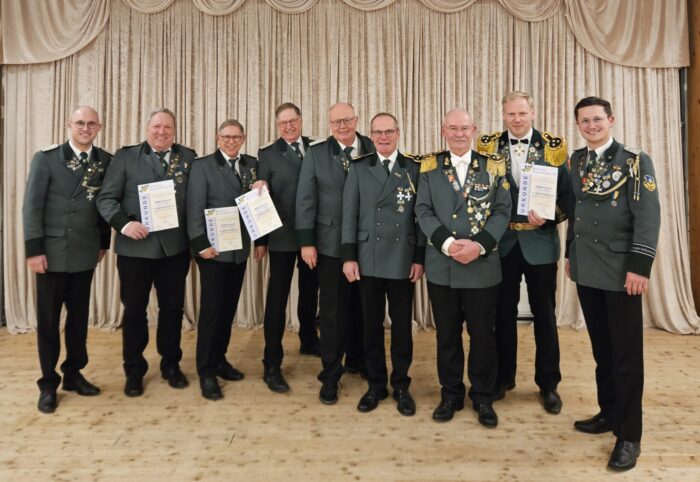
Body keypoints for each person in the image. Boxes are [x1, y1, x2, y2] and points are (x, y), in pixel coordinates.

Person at [566, 96, 660, 471]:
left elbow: (648, 217)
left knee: (626, 356)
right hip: (587, 268)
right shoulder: (576, 160)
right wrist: (570, 255)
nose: (591, 126)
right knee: (602, 350)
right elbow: (576, 209)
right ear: (578, 125)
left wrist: (640, 267)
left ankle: (629, 436)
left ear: (611, 120)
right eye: (585, 121)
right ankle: (608, 413)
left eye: (597, 119)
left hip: (622, 272)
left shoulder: (634, 161)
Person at [415, 108, 511, 428]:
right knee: (447, 335)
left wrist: (478, 245)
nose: (459, 133)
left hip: (482, 266)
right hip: (443, 265)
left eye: (464, 128)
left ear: (474, 130)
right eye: (453, 128)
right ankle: (451, 394)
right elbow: (423, 210)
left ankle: (483, 396)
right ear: (443, 130)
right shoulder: (430, 167)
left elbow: (502, 211)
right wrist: (448, 244)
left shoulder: (493, 166)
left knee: (482, 335)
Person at [477, 91, 569, 413]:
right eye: (511, 114)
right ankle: (504, 378)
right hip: (502, 244)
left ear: (533, 113)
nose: (517, 119)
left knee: (545, 315)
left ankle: (549, 384)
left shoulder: (553, 147)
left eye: (522, 113)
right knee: (502, 314)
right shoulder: (488, 146)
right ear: (503, 115)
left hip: (540, 243)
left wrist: (549, 216)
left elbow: (566, 196)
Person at [97, 108, 196, 397]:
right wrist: (125, 224)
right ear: (147, 128)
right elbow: (106, 199)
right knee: (134, 312)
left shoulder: (188, 157)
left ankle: (171, 365)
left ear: (174, 131)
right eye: (156, 126)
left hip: (174, 249)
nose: (162, 132)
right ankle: (134, 370)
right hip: (135, 250)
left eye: (167, 127)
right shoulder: (125, 157)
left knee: (172, 310)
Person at [23, 106, 112, 413]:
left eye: (91, 124)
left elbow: (104, 204)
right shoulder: (46, 158)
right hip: (51, 253)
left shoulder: (105, 160)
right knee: (49, 322)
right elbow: (31, 207)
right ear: (69, 124)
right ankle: (48, 383)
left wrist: (103, 243)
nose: (85, 128)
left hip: (85, 251)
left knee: (78, 320)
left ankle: (73, 374)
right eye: (80, 123)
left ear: (99, 127)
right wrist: (34, 250)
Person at [340, 112, 425, 416]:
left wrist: (419, 257)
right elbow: (349, 215)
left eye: (389, 131)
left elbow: (421, 216)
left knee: (402, 327)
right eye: (378, 132)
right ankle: (376, 385)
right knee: (371, 326)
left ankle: (401, 385)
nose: (384, 137)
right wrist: (349, 257)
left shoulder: (414, 167)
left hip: (403, 258)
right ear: (371, 135)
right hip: (368, 258)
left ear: (398, 133)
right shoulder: (359, 168)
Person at [296, 102, 373, 404]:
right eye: (336, 122)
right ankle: (330, 373)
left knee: (362, 307)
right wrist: (307, 242)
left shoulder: (372, 147)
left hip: (366, 244)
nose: (342, 126)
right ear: (329, 124)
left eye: (347, 120)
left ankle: (358, 359)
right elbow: (305, 198)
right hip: (329, 244)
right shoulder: (316, 153)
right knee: (332, 312)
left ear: (356, 119)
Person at [186, 119, 260, 400]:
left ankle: (219, 360)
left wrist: (262, 186)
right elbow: (194, 209)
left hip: (239, 250)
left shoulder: (251, 164)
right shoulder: (202, 166)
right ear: (218, 138)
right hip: (213, 252)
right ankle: (206, 371)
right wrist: (200, 245)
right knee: (211, 313)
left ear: (243, 138)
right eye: (226, 137)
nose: (231, 141)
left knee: (228, 310)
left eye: (236, 137)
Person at [256, 103, 320, 393]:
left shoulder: (318, 147)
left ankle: (309, 340)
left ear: (301, 120)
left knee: (310, 291)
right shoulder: (268, 154)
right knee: (277, 298)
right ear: (277, 126)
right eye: (283, 123)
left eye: (293, 121)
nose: (289, 127)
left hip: (314, 236)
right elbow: (259, 197)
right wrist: (260, 241)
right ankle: (271, 362)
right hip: (281, 235)